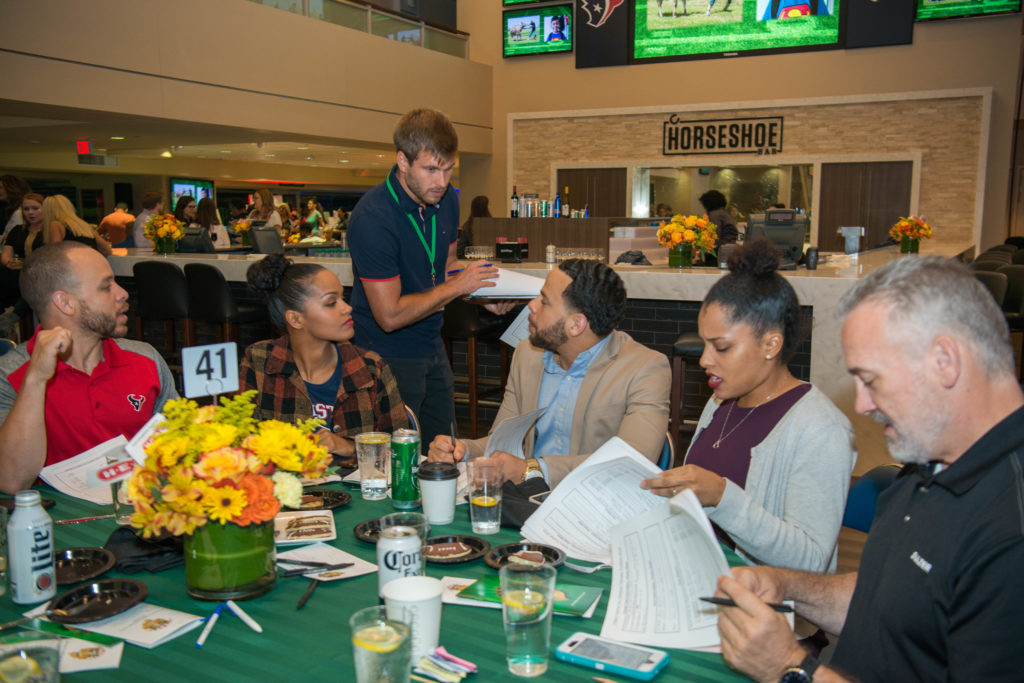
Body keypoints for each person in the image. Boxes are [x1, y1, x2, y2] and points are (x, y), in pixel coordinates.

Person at [714, 255, 1024, 682]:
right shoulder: (930, 459)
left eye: (872, 379)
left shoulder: (1010, 526)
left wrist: (789, 668)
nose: (862, 405)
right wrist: (787, 586)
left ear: (945, 361)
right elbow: (888, 595)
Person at [640, 239, 855, 573]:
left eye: (721, 347)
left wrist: (723, 498)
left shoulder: (820, 428)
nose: (704, 360)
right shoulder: (721, 401)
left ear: (771, 344)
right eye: (705, 344)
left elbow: (811, 561)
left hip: (762, 612)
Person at [426, 259, 671, 487]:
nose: (531, 305)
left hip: (597, 511)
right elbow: (502, 443)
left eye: (544, 301)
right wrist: (462, 450)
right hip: (527, 505)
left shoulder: (644, 369)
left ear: (576, 324)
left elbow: (630, 463)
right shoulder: (528, 354)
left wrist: (530, 469)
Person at [347, 107, 504, 449]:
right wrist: (458, 286)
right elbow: (389, 316)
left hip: (432, 343)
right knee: (397, 458)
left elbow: (446, 267)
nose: (442, 182)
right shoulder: (373, 218)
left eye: (448, 169)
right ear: (402, 161)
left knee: (445, 451)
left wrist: (479, 295)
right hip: (386, 353)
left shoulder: (445, 200)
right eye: (431, 169)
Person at [0, 242, 178, 493]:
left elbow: (181, 447)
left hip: (145, 517)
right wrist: (36, 379)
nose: (122, 294)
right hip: (62, 528)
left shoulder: (145, 358)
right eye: (106, 287)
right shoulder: (9, 375)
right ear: (65, 302)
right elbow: (11, 482)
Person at [240, 254, 409, 463]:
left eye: (343, 298)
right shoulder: (260, 361)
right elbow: (239, 442)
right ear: (295, 318)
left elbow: (401, 448)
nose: (347, 308)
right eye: (331, 302)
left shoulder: (370, 368)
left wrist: (348, 446)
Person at [43, 195, 112, 256]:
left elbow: (55, 253)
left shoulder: (55, 224)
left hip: (73, 266)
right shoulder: (83, 225)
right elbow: (107, 250)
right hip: (91, 263)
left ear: (47, 211)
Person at [1, 175, 32, 240]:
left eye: (1, 188)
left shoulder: (20, 213)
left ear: (11, 188)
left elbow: (15, 238)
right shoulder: (14, 210)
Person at [458, 195, 489, 259]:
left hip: (469, 260)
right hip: (488, 259)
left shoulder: (468, 225)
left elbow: (461, 249)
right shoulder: (491, 225)